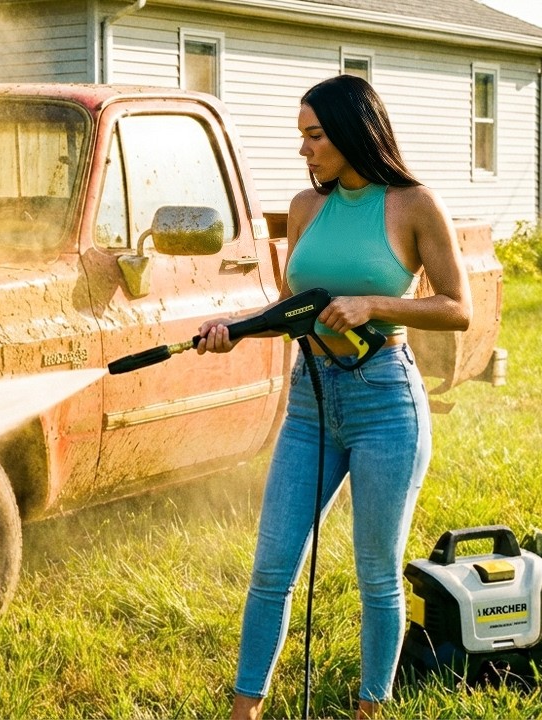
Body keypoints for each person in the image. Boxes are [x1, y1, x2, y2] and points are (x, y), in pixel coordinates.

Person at [197, 74, 472, 719]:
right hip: (310, 403)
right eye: (302, 136)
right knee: (271, 569)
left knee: (376, 575)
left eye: (315, 136)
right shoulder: (306, 207)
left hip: (385, 404)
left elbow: (457, 307)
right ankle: (244, 712)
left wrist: (374, 304)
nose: (305, 151)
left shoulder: (412, 204)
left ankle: (368, 709)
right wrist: (234, 332)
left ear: (353, 132)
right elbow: (297, 305)